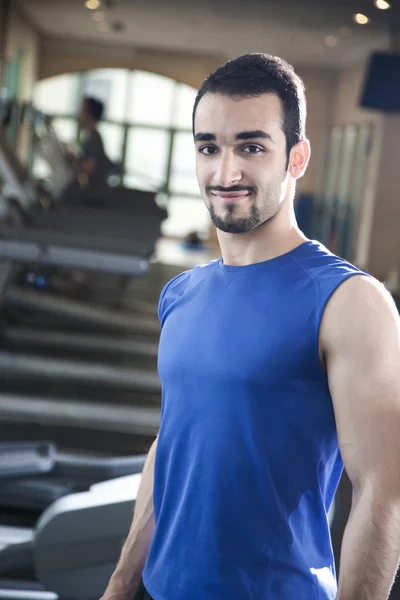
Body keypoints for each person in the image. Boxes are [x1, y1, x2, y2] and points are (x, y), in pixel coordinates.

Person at [101, 54, 400, 600]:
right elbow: (171, 443)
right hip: (163, 588)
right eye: (209, 147)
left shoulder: (350, 301)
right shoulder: (182, 294)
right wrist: (121, 583)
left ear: (297, 157)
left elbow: (383, 491)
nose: (226, 172)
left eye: (252, 147)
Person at [67, 96, 109, 189]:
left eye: (82, 111)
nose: (79, 115)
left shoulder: (94, 139)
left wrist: (72, 159)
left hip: (93, 192)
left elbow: (89, 168)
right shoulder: (90, 137)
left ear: (89, 115)